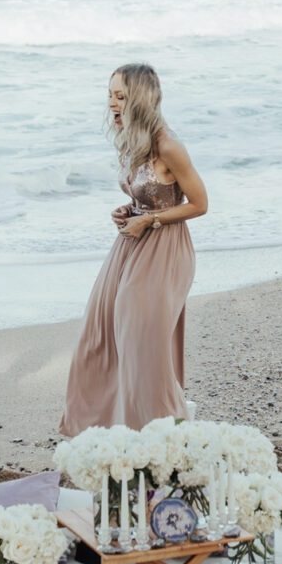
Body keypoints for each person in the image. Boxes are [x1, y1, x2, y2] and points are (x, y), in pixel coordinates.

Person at [60, 64, 208, 436]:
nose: (111, 103)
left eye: (120, 96)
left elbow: (200, 204)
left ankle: (163, 432)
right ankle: (105, 429)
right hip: (130, 245)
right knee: (100, 332)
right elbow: (148, 192)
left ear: (139, 99)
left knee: (143, 343)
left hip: (165, 250)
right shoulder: (132, 139)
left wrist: (151, 220)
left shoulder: (168, 145)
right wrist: (129, 210)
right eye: (109, 94)